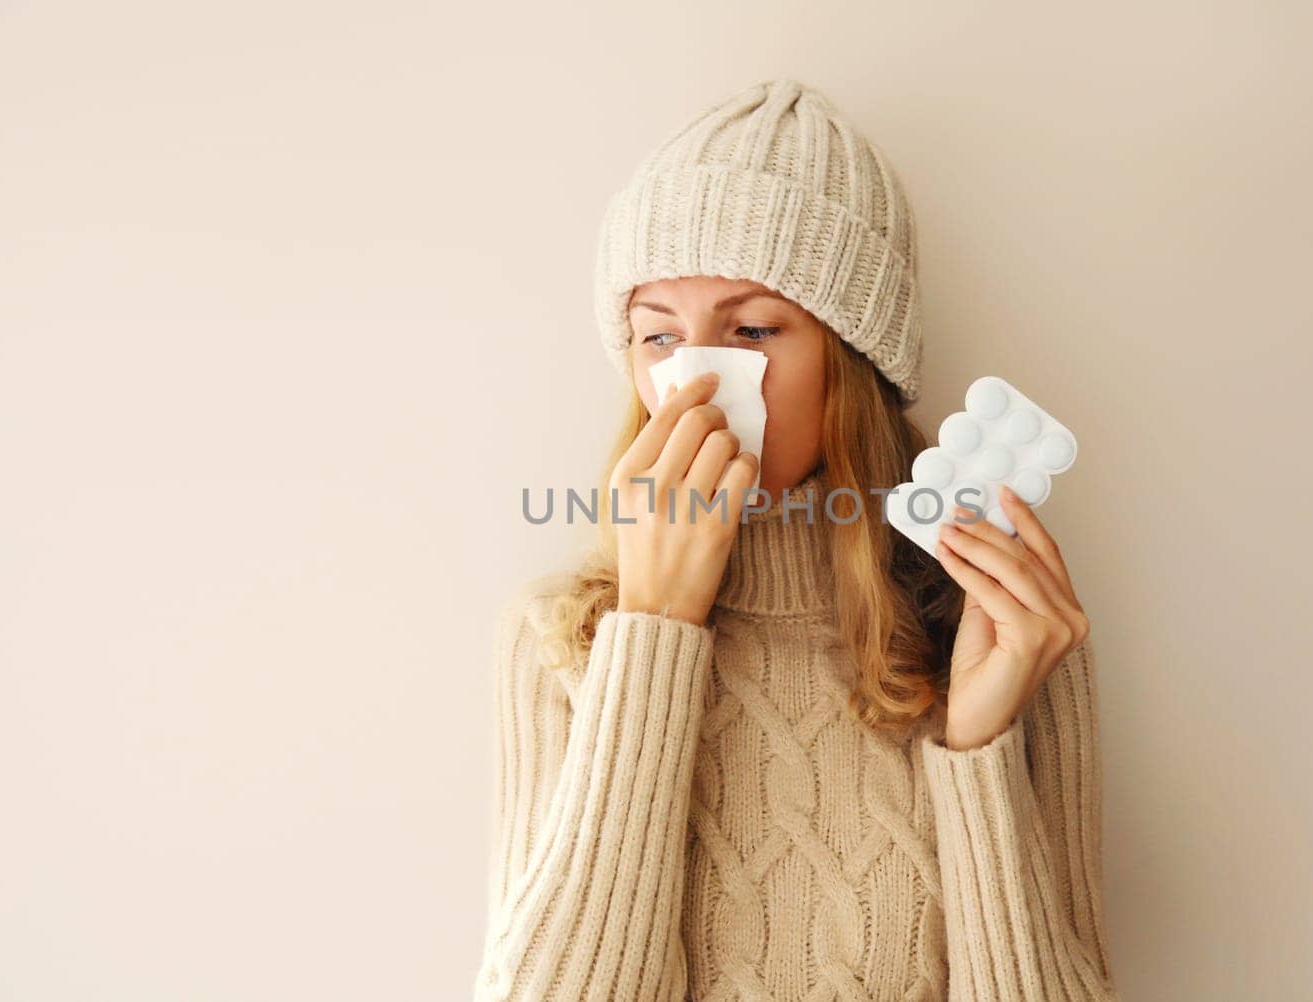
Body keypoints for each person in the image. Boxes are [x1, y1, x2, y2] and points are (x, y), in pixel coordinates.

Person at [473, 78, 1116, 1002]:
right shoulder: (559, 638)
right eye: (659, 337)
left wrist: (976, 750)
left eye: (754, 327)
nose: (697, 378)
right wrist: (654, 628)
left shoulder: (1002, 628)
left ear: (852, 360)